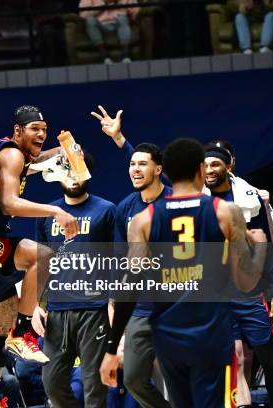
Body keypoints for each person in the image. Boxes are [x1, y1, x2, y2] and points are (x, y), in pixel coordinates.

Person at [100, 138, 268, 407]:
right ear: (201, 170)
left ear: (164, 172)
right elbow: (245, 282)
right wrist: (259, 248)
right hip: (209, 326)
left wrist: (111, 347)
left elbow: (128, 287)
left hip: (168, 329)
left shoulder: (143, 220)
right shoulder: (225, 212)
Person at [0, 105, 80, 407]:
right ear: (17, 131)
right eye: (34, 128)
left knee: (3, 318)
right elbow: (10, 203)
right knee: (44, 256)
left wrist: (63, 151)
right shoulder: (11, 155)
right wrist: (56, 210)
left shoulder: (20, 156)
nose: (41, 133)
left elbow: (36, 163)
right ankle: (23, 331)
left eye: (44, 128)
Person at [91, 106, 170, 408]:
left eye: (143, 164)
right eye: (132, 164)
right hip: (138, 309)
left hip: (174, 305)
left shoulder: (177, 201)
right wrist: (116, 319)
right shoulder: (124, 208)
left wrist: (121, 140)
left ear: (159, 169)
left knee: (179, 378)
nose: (135, 169)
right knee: (135, 379)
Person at [203, 142, 273, 408]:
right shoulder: (192, 198)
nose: (209, 170)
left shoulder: (250, 198)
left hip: (247, 291)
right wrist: (121, 141)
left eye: (215, 164)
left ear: (229, 166)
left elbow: (266, 249)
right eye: (205, 165)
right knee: (232, 355)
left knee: (268, 355)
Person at [33, 152, 116, 408]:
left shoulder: (106, 210)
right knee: (52, 383)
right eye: (67, 170)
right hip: (57, 312)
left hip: (94, 310)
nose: (72, 177)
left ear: (88, 174)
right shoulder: (48, 214)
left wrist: (113, 304)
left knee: (94, 386)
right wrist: (36, 305)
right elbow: (41, 264)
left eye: (78, 170)